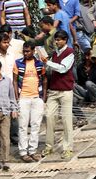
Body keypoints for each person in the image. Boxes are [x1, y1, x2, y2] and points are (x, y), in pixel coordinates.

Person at [42, 30, 75, 160]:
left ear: (65, 40)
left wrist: (47, 62)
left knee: (67, 120)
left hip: (66, 90)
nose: (57, 42)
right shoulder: (55, 53)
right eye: (56, 40)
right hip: (54, 90)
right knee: (49, 117)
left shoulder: (70, 52)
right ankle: (49, 146)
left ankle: (68, 148)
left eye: (60, 40)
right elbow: (52, 68)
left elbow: (63, 68)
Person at [13, 41, 47, 162]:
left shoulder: (39, 64)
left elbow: (44, 79)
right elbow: (15, 81)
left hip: (37, 98)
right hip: (23, 98)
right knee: (22, 126)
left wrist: (44, 97)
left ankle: (32, 150)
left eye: (28, 51)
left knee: (35, 125)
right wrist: (16, 97)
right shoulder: (18, 63)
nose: (26, 53)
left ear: (33, 51)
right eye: (24, 51)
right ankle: (23, 152)